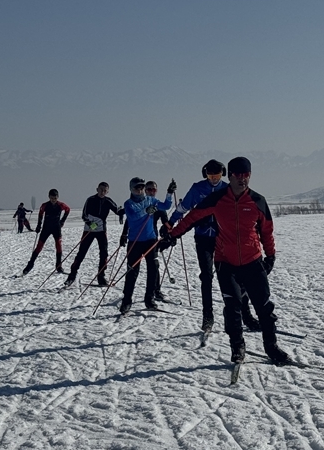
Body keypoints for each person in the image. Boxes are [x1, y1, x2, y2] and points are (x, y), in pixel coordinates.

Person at [168, 156, 291, 365]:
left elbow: (267, 231)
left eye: (247, 175)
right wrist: (172, 234)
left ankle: (272, 348)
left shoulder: (257, 201)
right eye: (238, 175)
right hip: (226, 262)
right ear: (231, 176)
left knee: (264, 307)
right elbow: (192, 217)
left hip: (253, 260)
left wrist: (270, 256)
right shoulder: (217, 199)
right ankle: (237, 347)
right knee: (232, 307)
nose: (243, 179)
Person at [170, 159, 261, 334]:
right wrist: (170, 224)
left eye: (217, 176)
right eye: (210, 176)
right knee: (206, 276)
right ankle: (208, 316)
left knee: (237, 277)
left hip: (223, 239)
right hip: (203, 237)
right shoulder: (197, 188)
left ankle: (246, 315)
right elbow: (183, 208)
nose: (213, 179)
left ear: (223, 174)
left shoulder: (228, 189)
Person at [119, 177, 175, 313]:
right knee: (132, 272)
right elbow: (133, 216)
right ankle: (126, 301)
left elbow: (166, 206)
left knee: (153, 270)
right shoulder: (128, 203)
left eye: (141, 187)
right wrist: (146, 211)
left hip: (151, 240)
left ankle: (149, 299)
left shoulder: (151, 200)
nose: (140, 190)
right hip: (135, 241)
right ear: (131, 189)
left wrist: (169, 193)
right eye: (136, 187)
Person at [64, 182, 124, 288]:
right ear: (97, 189)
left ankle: (101, 276)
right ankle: (72, 276)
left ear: (107, 191)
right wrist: (89, 223)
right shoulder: (90, 200)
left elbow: (117, 211)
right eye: (101, 189)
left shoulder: (108, 201)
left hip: (101, 230)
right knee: (81, 253)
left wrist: (125, 210)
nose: (102, 192)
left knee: (104, 253)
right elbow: (84, 215)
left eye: (105, 190)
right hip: (89, 230)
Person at [22, 189, 70, 276]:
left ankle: (58, 266)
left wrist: (62, 221)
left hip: (56, 228)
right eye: (51, 198)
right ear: (49, 197)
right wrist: (38, 225)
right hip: (46, 228)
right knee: (39, 246)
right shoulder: (45, 205)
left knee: (58, 246)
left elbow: (68, 209)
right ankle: (30, 265)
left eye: (55, 198)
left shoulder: (61, 205)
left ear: (57, 197)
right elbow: (40, 214)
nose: (53, 200)